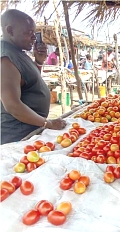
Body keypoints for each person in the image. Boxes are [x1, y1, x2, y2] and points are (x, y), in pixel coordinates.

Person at [0, 9, 66, 145]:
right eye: (29, 33)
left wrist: (38, 62)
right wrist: (48, 123)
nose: (34, 38)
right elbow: (12, 105)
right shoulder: (5, 59)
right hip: (17, 137)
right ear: (10, 30)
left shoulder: (18, 52)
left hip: (30, 132)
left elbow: (28, 82)